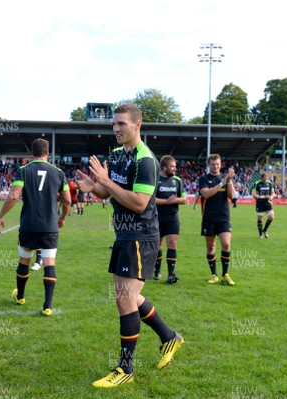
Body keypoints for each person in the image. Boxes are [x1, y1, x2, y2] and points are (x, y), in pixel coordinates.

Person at [76, 103, 183, 388]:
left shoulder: (145, 160)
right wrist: (94, 187)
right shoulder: (116, 154)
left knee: (124, 298)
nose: (116, 129)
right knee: (130, 296)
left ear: (138, 124)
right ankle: (169, 337)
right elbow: (109, 191)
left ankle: (125, 368)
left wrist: (106, 183)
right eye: (114, 124)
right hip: (124, 235)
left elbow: (139, 202)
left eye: (122, 124)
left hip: (141, 235)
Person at [0, 138, 70, 316]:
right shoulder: (58, 172)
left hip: (29, 224)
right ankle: (47, 306)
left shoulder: (23, 170)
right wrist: (62, 218)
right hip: (50, 225)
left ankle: (20, 296)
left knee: (24, 261)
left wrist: (0, 215)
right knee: (49, 263)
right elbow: (67, 200)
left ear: (31, 152)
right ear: (47, 151)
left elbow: (14, 196)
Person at [198, 154, 235, 285]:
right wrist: (222, 183)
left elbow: (231, 196)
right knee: (211, 247)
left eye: (218, 164)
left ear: (221, 164)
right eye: (213, 164)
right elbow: (206, 194)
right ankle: (214, 275)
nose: (215, 166)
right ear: (209, 165)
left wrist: (229, 181)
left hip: (224, 217)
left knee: (226, 244)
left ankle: (225, 274)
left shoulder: (225, 179)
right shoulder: (203, 179)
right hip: (209, 218)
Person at [154, 155, 186, 283]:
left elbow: (184, 199)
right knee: (158, 246)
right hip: (156, 217)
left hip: (172, 218)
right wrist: (167, 201)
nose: (175, 169)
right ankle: (157, 271)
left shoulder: (177, 180)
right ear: (164, 167)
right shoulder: (156, 179)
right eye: (172, 166)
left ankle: (171, 274)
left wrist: (175, 200)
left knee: (172, 244)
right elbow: (151, 200)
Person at [253, 173, 275, 239]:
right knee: (260, 218)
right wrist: (262, 196)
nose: (266, 180)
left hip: (267, 202)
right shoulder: (257, 183)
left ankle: (264, 230)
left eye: (267, 178)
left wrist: (271, 197)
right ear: (262, 178)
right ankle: (260, 234)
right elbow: (254, 194)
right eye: (265, 178)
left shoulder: (269, 183)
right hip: (260, 203)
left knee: (271, 217)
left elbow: (273, 193)